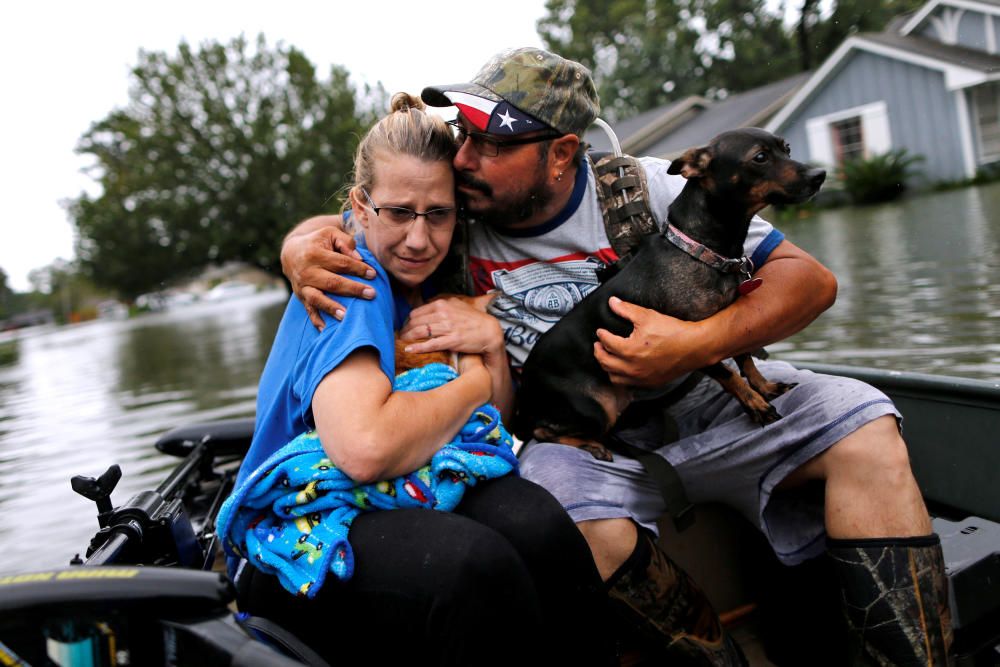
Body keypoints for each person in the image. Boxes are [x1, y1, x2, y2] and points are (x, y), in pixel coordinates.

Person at [280, 51, 952, 665]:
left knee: (867, 425)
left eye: (493, 143)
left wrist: (693, 345)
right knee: (550, 508)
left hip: (718, 403)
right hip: (584, 436)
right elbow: (355, 219)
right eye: (465, 133)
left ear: (562, 152)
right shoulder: (448, 214)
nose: (464, 158)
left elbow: (810, 282)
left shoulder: (651, 190)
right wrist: (299, 250)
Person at [230, 92, 613, 667]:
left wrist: (489, 348)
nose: (418, 237)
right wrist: (475, 384)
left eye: (437, 214)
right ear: (361, 208)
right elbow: (363, 449)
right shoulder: (350, 279)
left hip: (401, 485)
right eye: (399, 213)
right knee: (472, 567)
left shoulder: (437, 278)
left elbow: (497, 426)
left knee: (541, 527)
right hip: (296, 532)